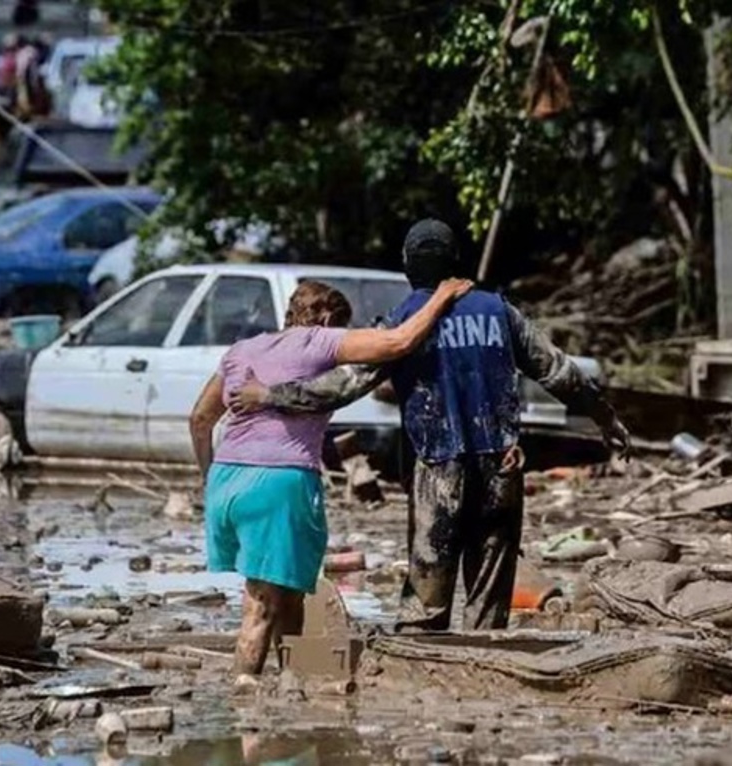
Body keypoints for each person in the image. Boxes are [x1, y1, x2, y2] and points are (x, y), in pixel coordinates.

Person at [235, 219, 632, 633]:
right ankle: (486, 665)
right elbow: (559, 371)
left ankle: (422, 668)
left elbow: (345, 385)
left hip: (437, 466)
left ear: (407, 265)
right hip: (501, 464)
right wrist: (605, 417)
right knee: (489, 589)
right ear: (455, 262)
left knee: (427, 592)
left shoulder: (407, 320)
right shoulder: (499, 311)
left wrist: (270, 395)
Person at [189, 277, 472, 680]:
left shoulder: (242, 349)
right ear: (325, 318)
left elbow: (200, 420)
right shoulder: (319, 342)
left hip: (227, 481)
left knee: (289, 591)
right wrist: (441, 297)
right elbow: (397, 343)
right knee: (261, 603)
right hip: (279, 483)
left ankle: (296, 683)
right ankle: (242, 698)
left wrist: (210, 479)